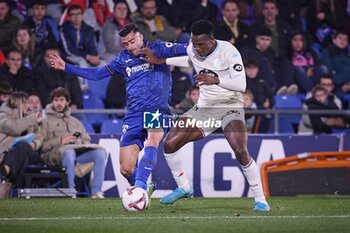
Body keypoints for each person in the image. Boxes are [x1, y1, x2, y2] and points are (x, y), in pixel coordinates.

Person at [141, 20, 270, 211]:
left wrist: (215, 79)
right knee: (169, 144)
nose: (197, 48)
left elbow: (241, 84)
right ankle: (184, 187)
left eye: (201, 44)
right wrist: (162, 61)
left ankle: (261, 200)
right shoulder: (194, 49)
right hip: (204, 108)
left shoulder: (229, 51)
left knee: (240, 150)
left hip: (230, 106)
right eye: (194, 43)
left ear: (212, 39)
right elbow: (189, 59)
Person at [49, 23, 187, 199]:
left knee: (153, 141)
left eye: (132, 41)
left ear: (140, 36)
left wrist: (212, 48)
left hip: (157, 109)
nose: (130, 46)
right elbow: (97, 74)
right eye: (126, 44)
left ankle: (139, 190)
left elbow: (187, 49)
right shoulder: (123, 59)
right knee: (126, 168)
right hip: (133, 115)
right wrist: (66, 67)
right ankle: (144, 186)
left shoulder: (158, 49)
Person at [32, 87, 107, 198]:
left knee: (100, 152)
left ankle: (96, 191)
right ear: (52, 102)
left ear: (67, 102)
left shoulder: (75, 122)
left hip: (76, 154)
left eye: (61, 100)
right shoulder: (45, 121)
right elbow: (42, 146)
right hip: (53, 156)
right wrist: (60, 141)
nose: (59, 103)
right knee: (69, 152)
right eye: (56, 100)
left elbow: (86, 140)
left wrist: (79, 142)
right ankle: (70, 190)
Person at [0, 92, 42, 189]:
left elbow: (40, 135)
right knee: (21, 151)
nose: (29, 105)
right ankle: (18, 189)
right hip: (8, 155)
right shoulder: (2, 116)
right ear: (19, 103)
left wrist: (35, 144)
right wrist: (31, 119)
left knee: (23, 146)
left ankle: (6, 170)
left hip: (31, 153)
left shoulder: (29, 116)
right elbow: (14, 127)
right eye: (26, 103)